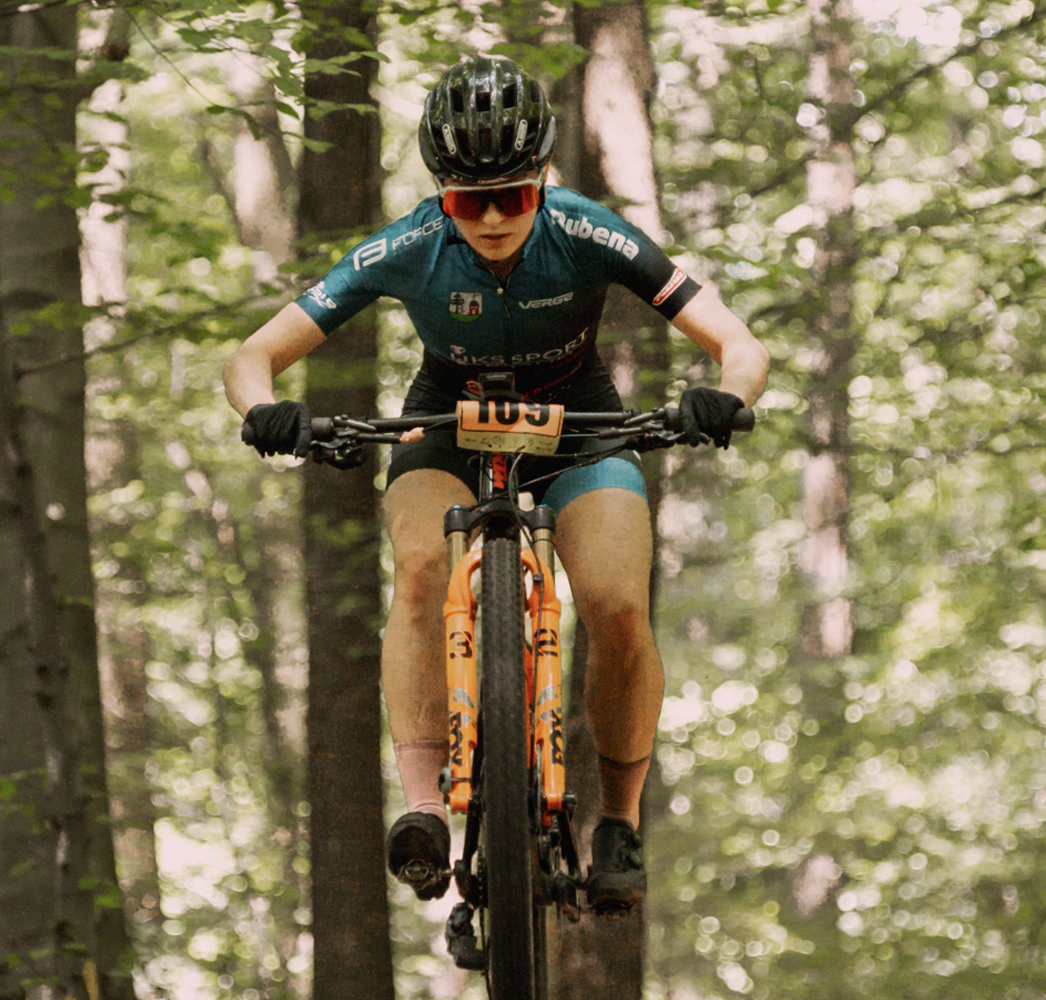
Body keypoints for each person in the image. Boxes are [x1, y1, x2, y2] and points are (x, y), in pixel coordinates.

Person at [223, 56, 769, 911]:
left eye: (510, 198)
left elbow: (740, 344)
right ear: (438, 195)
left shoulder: (590, 231)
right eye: (463, 202)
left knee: (616, 604)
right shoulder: (407, 246)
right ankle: (423, 809)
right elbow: (253, 355)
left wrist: (725, 397)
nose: (487, 219)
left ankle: (618, 823)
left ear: (542, 179)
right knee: (419, 570)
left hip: (577, 421)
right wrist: (265, 411)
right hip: (446, 421)